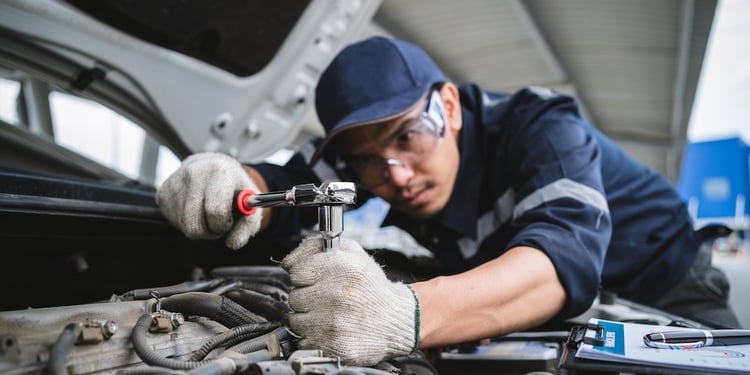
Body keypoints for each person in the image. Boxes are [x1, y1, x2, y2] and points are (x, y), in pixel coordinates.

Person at [156, 36, 741, 366]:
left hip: (663, 282)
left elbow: (563, 259)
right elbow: (289, 186)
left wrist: (405, 314)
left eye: (407, 136)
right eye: (365, 159)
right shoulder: (371, 158)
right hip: (538, 300)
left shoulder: (543, 128)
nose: (393, 173)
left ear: (451, 108)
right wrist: (232, 182)